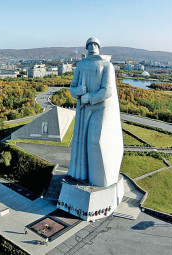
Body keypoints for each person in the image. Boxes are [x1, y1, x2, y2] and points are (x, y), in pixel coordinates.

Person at [67, 37, 123, 187]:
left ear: (99, 47)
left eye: (95, 44)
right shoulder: (81, 65)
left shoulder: (107, 65)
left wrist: (89, 97)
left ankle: (100, 180)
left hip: (101, 107)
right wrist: (77, 91)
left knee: (96, 141)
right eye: (89, 44)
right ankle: (83, 175)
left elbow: (108, 90)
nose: (92, 47)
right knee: (81, 141)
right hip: (84, 108)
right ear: (86, 47)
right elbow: (72, 87)